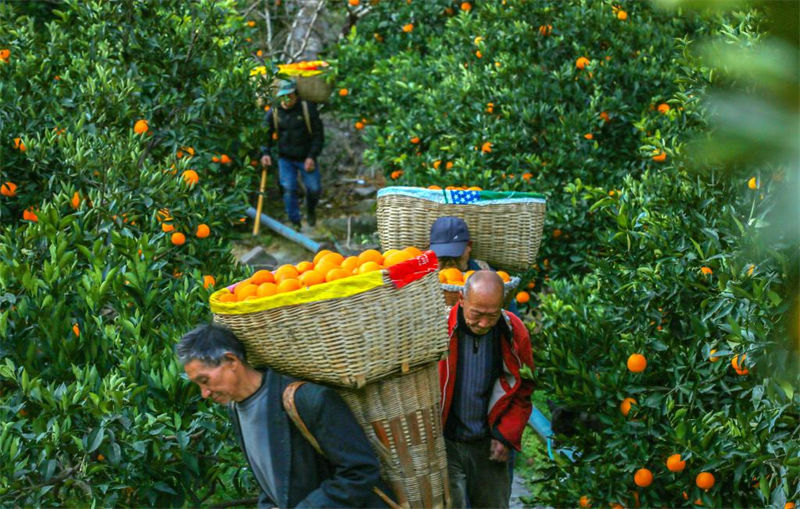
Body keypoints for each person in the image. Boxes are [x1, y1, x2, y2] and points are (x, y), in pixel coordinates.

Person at [176, 323, 392, 508]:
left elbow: (360, 470)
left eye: (205, 381)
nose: (204, 393)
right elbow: (272, 484)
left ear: (231, 360)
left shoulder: (306, 400)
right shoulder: (235, 409)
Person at [438, 271, 534, 509]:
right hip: (446, 443)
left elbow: (523, 389)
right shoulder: (440, 330)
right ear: (461, 299)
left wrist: (506, 435)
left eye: (491, 316)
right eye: (476, 314)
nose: (483, 323)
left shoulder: (512, 331)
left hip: (489, 443)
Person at [260, 79, 324, 230]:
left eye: (290, 96)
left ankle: (310, 211)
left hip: (306, 157)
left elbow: (318, 136)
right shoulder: (274, 113)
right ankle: (295, 222)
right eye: (284, 96)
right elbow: (265, 135)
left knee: (314, 188)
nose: (287, 100)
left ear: (296, 95)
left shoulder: (307, 109)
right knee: (288, 189)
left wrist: (312, 156)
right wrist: (265, 153)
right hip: (285, 158)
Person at [429, 216, 520, 315]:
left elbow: (512, 319)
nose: (450, 263)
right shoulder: (424, 278)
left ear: (469, 246)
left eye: (456, 256)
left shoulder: (489, 277)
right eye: (443, 257)